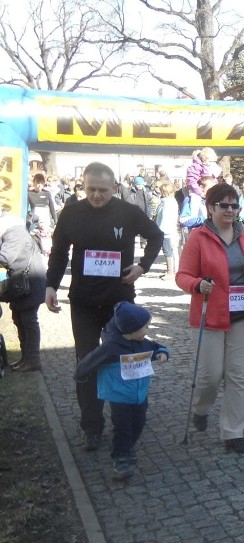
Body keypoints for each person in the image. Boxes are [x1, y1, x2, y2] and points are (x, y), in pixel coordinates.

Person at [45, 162, 164, 451]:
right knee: (86, 363)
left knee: (125, 360)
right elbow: (59, 252)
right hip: (84, 302)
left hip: (119, 303)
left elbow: (156, 236)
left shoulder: (128, 212)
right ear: (82, 187)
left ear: (114, 188)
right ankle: (92, 426)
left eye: (102, 190)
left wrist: (143, 266)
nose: (97, 195)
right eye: (91, 190)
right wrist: (50, 285)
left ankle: (127, 416)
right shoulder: (71, 213)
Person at [175, 182, 244, 453]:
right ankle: (201, 408)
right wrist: (197, 284)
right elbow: (182, 275)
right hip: (211, 314)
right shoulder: (199, 237)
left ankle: (233, 432)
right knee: (211, 375)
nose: (230, 210)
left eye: (235, 205)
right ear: (211, 208)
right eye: (224, 205)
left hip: (241, 315)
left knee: (238, 375)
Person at [73, 302, 169, 480]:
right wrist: (81, 374)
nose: (147, 330)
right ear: (131, 330)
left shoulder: (143, 342)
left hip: (140, 395)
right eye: (145, 327)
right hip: (120, 396)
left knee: (138, 424)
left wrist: (163, 353)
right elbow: (90, 360)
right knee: (122, 427)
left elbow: (158, 347)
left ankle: (128, 446)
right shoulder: (111, 347)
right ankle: (120, 458)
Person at [0, 213, 46, 372]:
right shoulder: (12, 231)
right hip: (22, 283)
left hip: (30, 282)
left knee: (28, 321)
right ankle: (25, 358)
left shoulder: (14, 233)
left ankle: (33, 360)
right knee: (19, 319)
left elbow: (5, 257)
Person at [155, 181, 180, 279]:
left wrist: (159, 231)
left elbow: (165, 219)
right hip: (167, 230)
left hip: (166, 231)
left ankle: (170, 272)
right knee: (169, 251)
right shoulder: (169, 201)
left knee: (168, 251)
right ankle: (170, 270)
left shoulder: (167, 203)